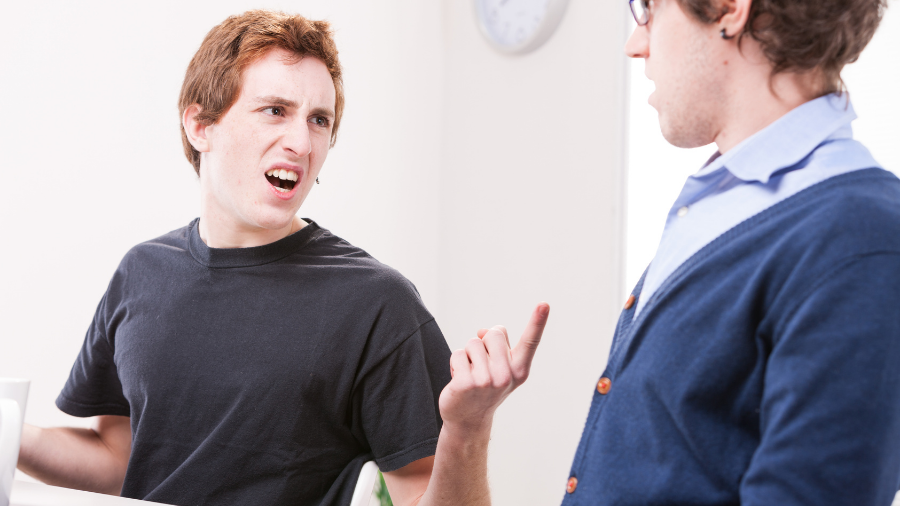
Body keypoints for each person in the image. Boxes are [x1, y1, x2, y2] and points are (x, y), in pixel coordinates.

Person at [15, 10, 550, 506]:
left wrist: (468, 429)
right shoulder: (141, 273)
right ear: (200, 125)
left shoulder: (377, 304)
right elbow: (122, 461)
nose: (301, 140)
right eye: (276, 111)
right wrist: (9, 430)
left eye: (320, 120)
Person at [558, 0, 900, 504]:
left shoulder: (859, 236)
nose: (636, 44)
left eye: (649, 8)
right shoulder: (717, 200)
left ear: (728, 9)